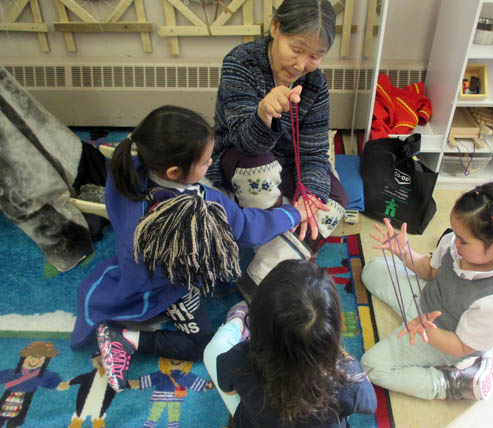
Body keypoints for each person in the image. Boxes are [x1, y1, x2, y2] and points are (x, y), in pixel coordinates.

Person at [70, 105, 324, 393]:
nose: (210, 163)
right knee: (201, 344)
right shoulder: (197, 208)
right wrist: (294, 214)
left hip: (135, 267)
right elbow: (246, 227)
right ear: (175, 172)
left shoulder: (128, 170)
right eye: (205, 162)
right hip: (169, 287)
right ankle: (126, 338)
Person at [205, 0, 349, 296]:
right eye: (296, 49)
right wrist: (264, 115)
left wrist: (310, 196)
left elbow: (313, 153)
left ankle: (259, 275)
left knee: (333, 200)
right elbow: (244, 143)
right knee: (259, 164)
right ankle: (278, 238)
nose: (301, 65)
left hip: (287, 163)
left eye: (315, 56)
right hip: (239, 155)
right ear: (275, 28)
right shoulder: (240, 63)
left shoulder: (315, 84)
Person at [360, 181, 493, 401]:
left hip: (447, 340)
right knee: (372, 270)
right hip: (426, 298)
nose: (455, 242)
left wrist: (428, 331)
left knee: (372, 366)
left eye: (463, 241)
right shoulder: (455, 242)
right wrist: (404, 252)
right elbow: (430, 272)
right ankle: (418, 324)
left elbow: (461, 346)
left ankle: (452, 382)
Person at [203, 259, 377, 427]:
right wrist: (337, 354)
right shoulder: (348, 380)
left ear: (257, 321)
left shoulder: (241, 358)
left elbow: (228, 390)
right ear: (333, 332)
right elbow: (370, 405)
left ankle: (238, 321)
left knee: (213, 349)